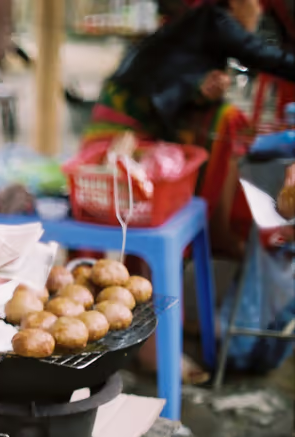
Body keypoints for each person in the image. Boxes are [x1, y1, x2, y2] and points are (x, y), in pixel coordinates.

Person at [85, 0, 295, 257]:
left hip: (127, 104)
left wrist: (200, 90)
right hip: (124, 116)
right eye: (254, 3)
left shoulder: (200, 21)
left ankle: (203, 239)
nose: (259, 11)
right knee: (115, 200)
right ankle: (216, 233)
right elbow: (265, 56)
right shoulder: (219, 20)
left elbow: (174, 75)